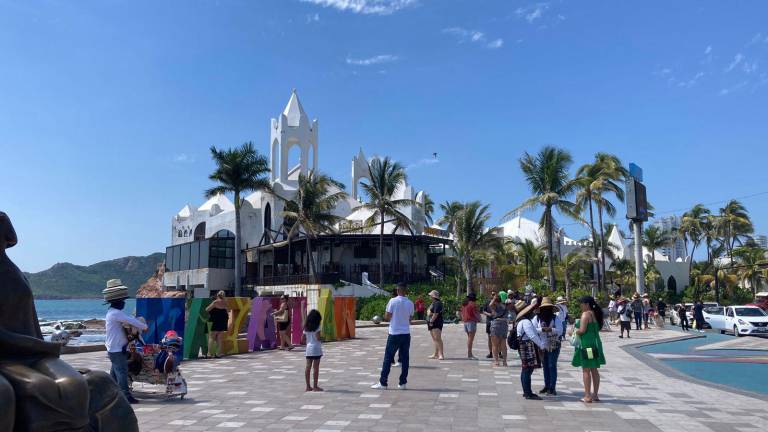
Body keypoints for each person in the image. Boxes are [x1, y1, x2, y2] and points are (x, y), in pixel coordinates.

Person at [103, 279, 149, 404]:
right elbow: (131, 320)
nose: (123, 303)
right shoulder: (115, 314)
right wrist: (144, 327)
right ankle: (126, 396)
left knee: (114, 373)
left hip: (116, 348)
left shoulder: (112, 312)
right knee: (122, 372)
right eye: (122, 301)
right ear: (117, 302)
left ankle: (108, 394)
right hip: (116, 349)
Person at [372, 282, 414, 390]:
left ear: (397, 290)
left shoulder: (392, 301)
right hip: (405, 334)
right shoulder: (410, 303)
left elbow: (387, 316)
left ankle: (383, 383)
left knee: (388, 358)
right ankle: (402, 383)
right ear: (405, 290)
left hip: (394, 333)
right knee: (405, 359)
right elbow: (410, 319)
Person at [571, 296, 606, 403]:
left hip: (587, 346)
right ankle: (595, 394)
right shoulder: (595, 314)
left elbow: (582, 330)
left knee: (586, 370)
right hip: (594, 344)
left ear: (586, 304)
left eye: (581, 304)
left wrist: (572, 332)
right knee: (594, 369)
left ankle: (587, 395)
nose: (580, 306)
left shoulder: (586, 314)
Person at [515, 300, 547, 399]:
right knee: (527, 370)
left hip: (523, 346)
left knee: (526, 370)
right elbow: (532, 335)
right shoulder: (526, 322)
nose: (533, 312)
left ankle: (526, 391)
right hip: (527, 346)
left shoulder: (522, 321)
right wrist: (541, 345)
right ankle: (528, 393)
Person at [532, 298, 563, 396]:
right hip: (542, 345)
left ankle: (552, 387)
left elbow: (560, 330)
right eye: (544, 308)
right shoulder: (536, 318)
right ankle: (546, 385)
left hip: (553, 344)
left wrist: (550, 329)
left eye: (548, 308)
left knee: (551, 365)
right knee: (545, 365)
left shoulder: (555, 318)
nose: (546, 310)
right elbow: (532, 329)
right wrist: (542, 329)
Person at [301, 309, 323, 392]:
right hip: (316, 348)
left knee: (308, 367)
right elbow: (318, 338)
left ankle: (307, 386)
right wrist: (322, 338)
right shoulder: (317, 326)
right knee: (316, 368)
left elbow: (302, 339)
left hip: (308, 349)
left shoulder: (306, 327)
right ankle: (315, 387)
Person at [205, 290, 229, 358]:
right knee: (219, 338)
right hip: (223, 320)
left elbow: (207, 309)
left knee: (211, 337)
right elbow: (228, 310)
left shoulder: (215, 302)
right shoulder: (225, 303)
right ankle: (218, 353)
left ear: (217, 295)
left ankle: (209, 354)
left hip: (215, 320)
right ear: (224, 296)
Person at [487, 293, 509, 367]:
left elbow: (490, 305)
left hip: (496, 323)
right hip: (504, 324)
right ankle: (505, 362)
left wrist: (493, 298)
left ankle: (496, 361)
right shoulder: (504, 306)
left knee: (495, 345)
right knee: (503, 344)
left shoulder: (495, 306)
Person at [460, 293, 481, 359]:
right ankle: (470, 354)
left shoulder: (464, 304)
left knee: (469, 338)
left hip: (465, 322)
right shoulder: (473, 304)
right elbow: (476, 313)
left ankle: (470, 354)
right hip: (471, 322)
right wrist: (479, 319)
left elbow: (461, 313)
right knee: (470, 339)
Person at [427, 290, 445, 360]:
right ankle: (436, 354)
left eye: (430, 295)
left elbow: (435, 314)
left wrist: (431, 321)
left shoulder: (437, 303)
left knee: (438, 338)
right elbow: (429, 312)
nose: (429, 297)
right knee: (435, 339)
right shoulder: (433, 303)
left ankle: (441, 354)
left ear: (433, 296)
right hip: (431, 322)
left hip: (436, 322)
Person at [482, 291, 497, 358]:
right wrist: (489, 314)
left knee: (498, 337)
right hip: (489, 321)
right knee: (489, 338)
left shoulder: (498, 303)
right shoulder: (487, 302)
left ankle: (498, 352)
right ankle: (491, 352)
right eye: (492, 294)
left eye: (494, 294)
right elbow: (483, 311)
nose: (493, 295)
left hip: (497, 322)